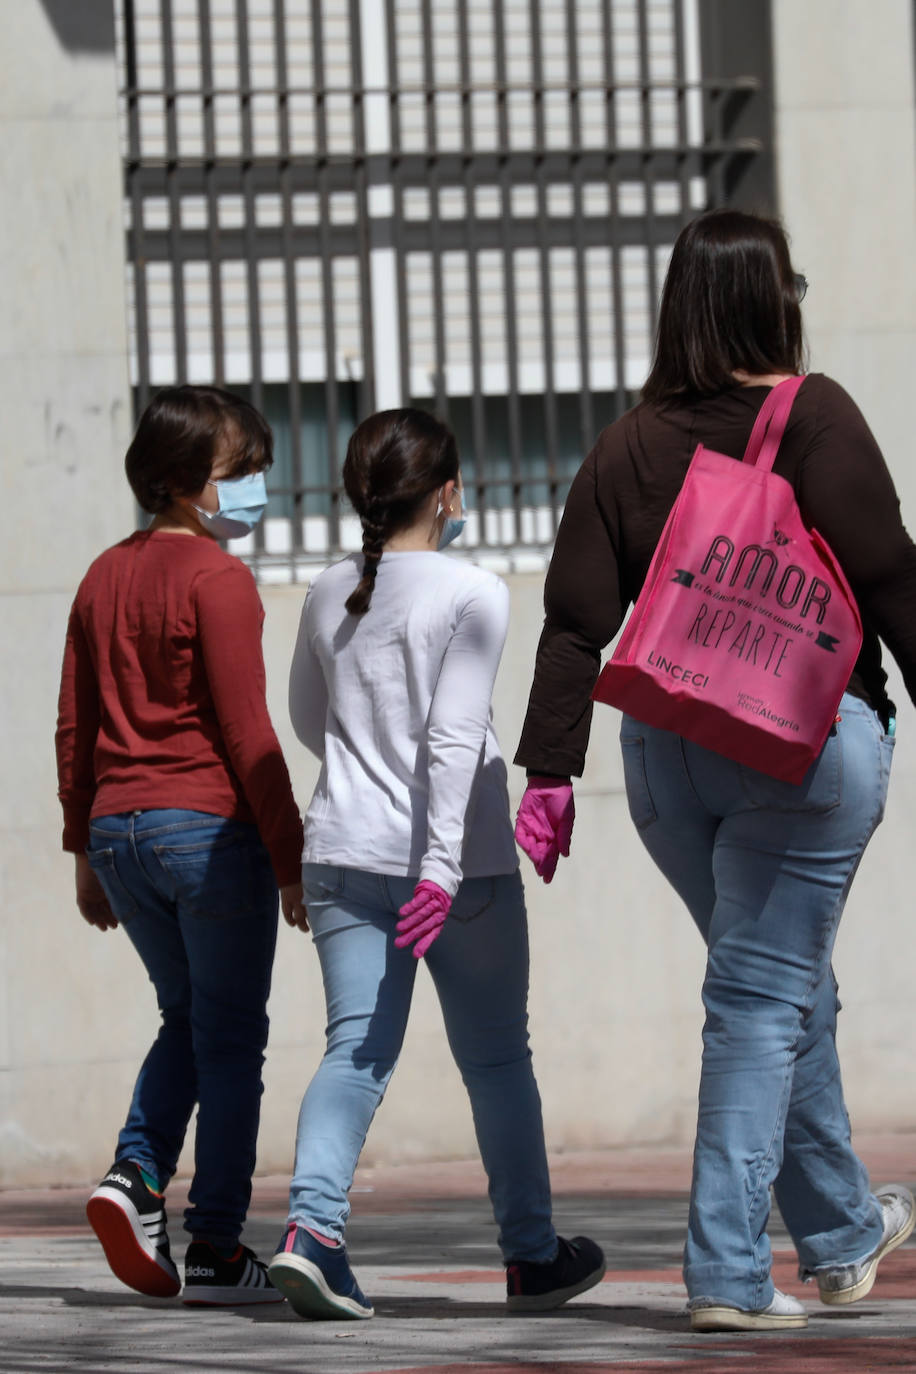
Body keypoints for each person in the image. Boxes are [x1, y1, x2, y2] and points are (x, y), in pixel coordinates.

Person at [513, 209, 916, 1332]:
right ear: (768, 300)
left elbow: (571, 625)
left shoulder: (625, 443)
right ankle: (728, 1271)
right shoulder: (814, 414)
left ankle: (840, 1234)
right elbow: (891, 579)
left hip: (665, 757)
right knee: (757, 998)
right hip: (797, 742)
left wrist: (550, 774)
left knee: (786, 991)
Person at [266, 407, 604, 1320]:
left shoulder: (327, 587)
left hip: (342, 850)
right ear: (448, 490)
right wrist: (441, 868)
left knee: (354, 1053)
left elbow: (307, 719)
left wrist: (367, 766)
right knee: (496, 1061)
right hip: (456, 873)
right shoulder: (473, 591)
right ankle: (532, 1258)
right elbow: (457, 737)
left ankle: (312, 1234)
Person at [55, 385, 306, 1307]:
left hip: (122, 837)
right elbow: (249, 732)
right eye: (239, 471)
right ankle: (214, 1248)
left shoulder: (100, 574)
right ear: (183, 479)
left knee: (188, 1021)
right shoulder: (218, 579)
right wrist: (290, 855)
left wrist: (84, 849)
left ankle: (133, 1179)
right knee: (233, 1038)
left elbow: (74, 722)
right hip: (207, 834)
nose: (256, 486)